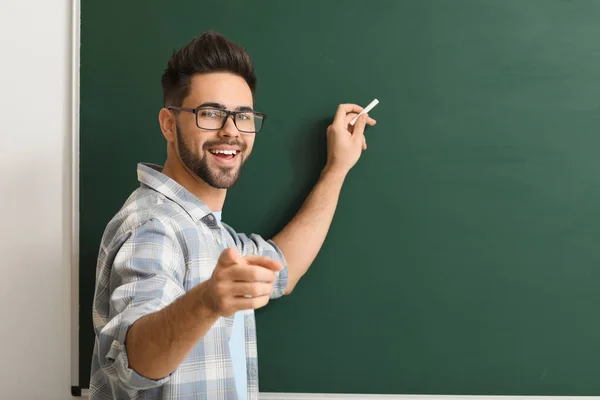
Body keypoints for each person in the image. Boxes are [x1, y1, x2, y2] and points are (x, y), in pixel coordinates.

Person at [89, 31, 376, 400]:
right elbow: (133, 360)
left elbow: (282, 268)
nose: (230, 131)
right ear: (167, 124)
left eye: (243, 116)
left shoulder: (208, 231)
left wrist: (337, 168)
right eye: (210, 113)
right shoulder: (154, 226)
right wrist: (207, 301)